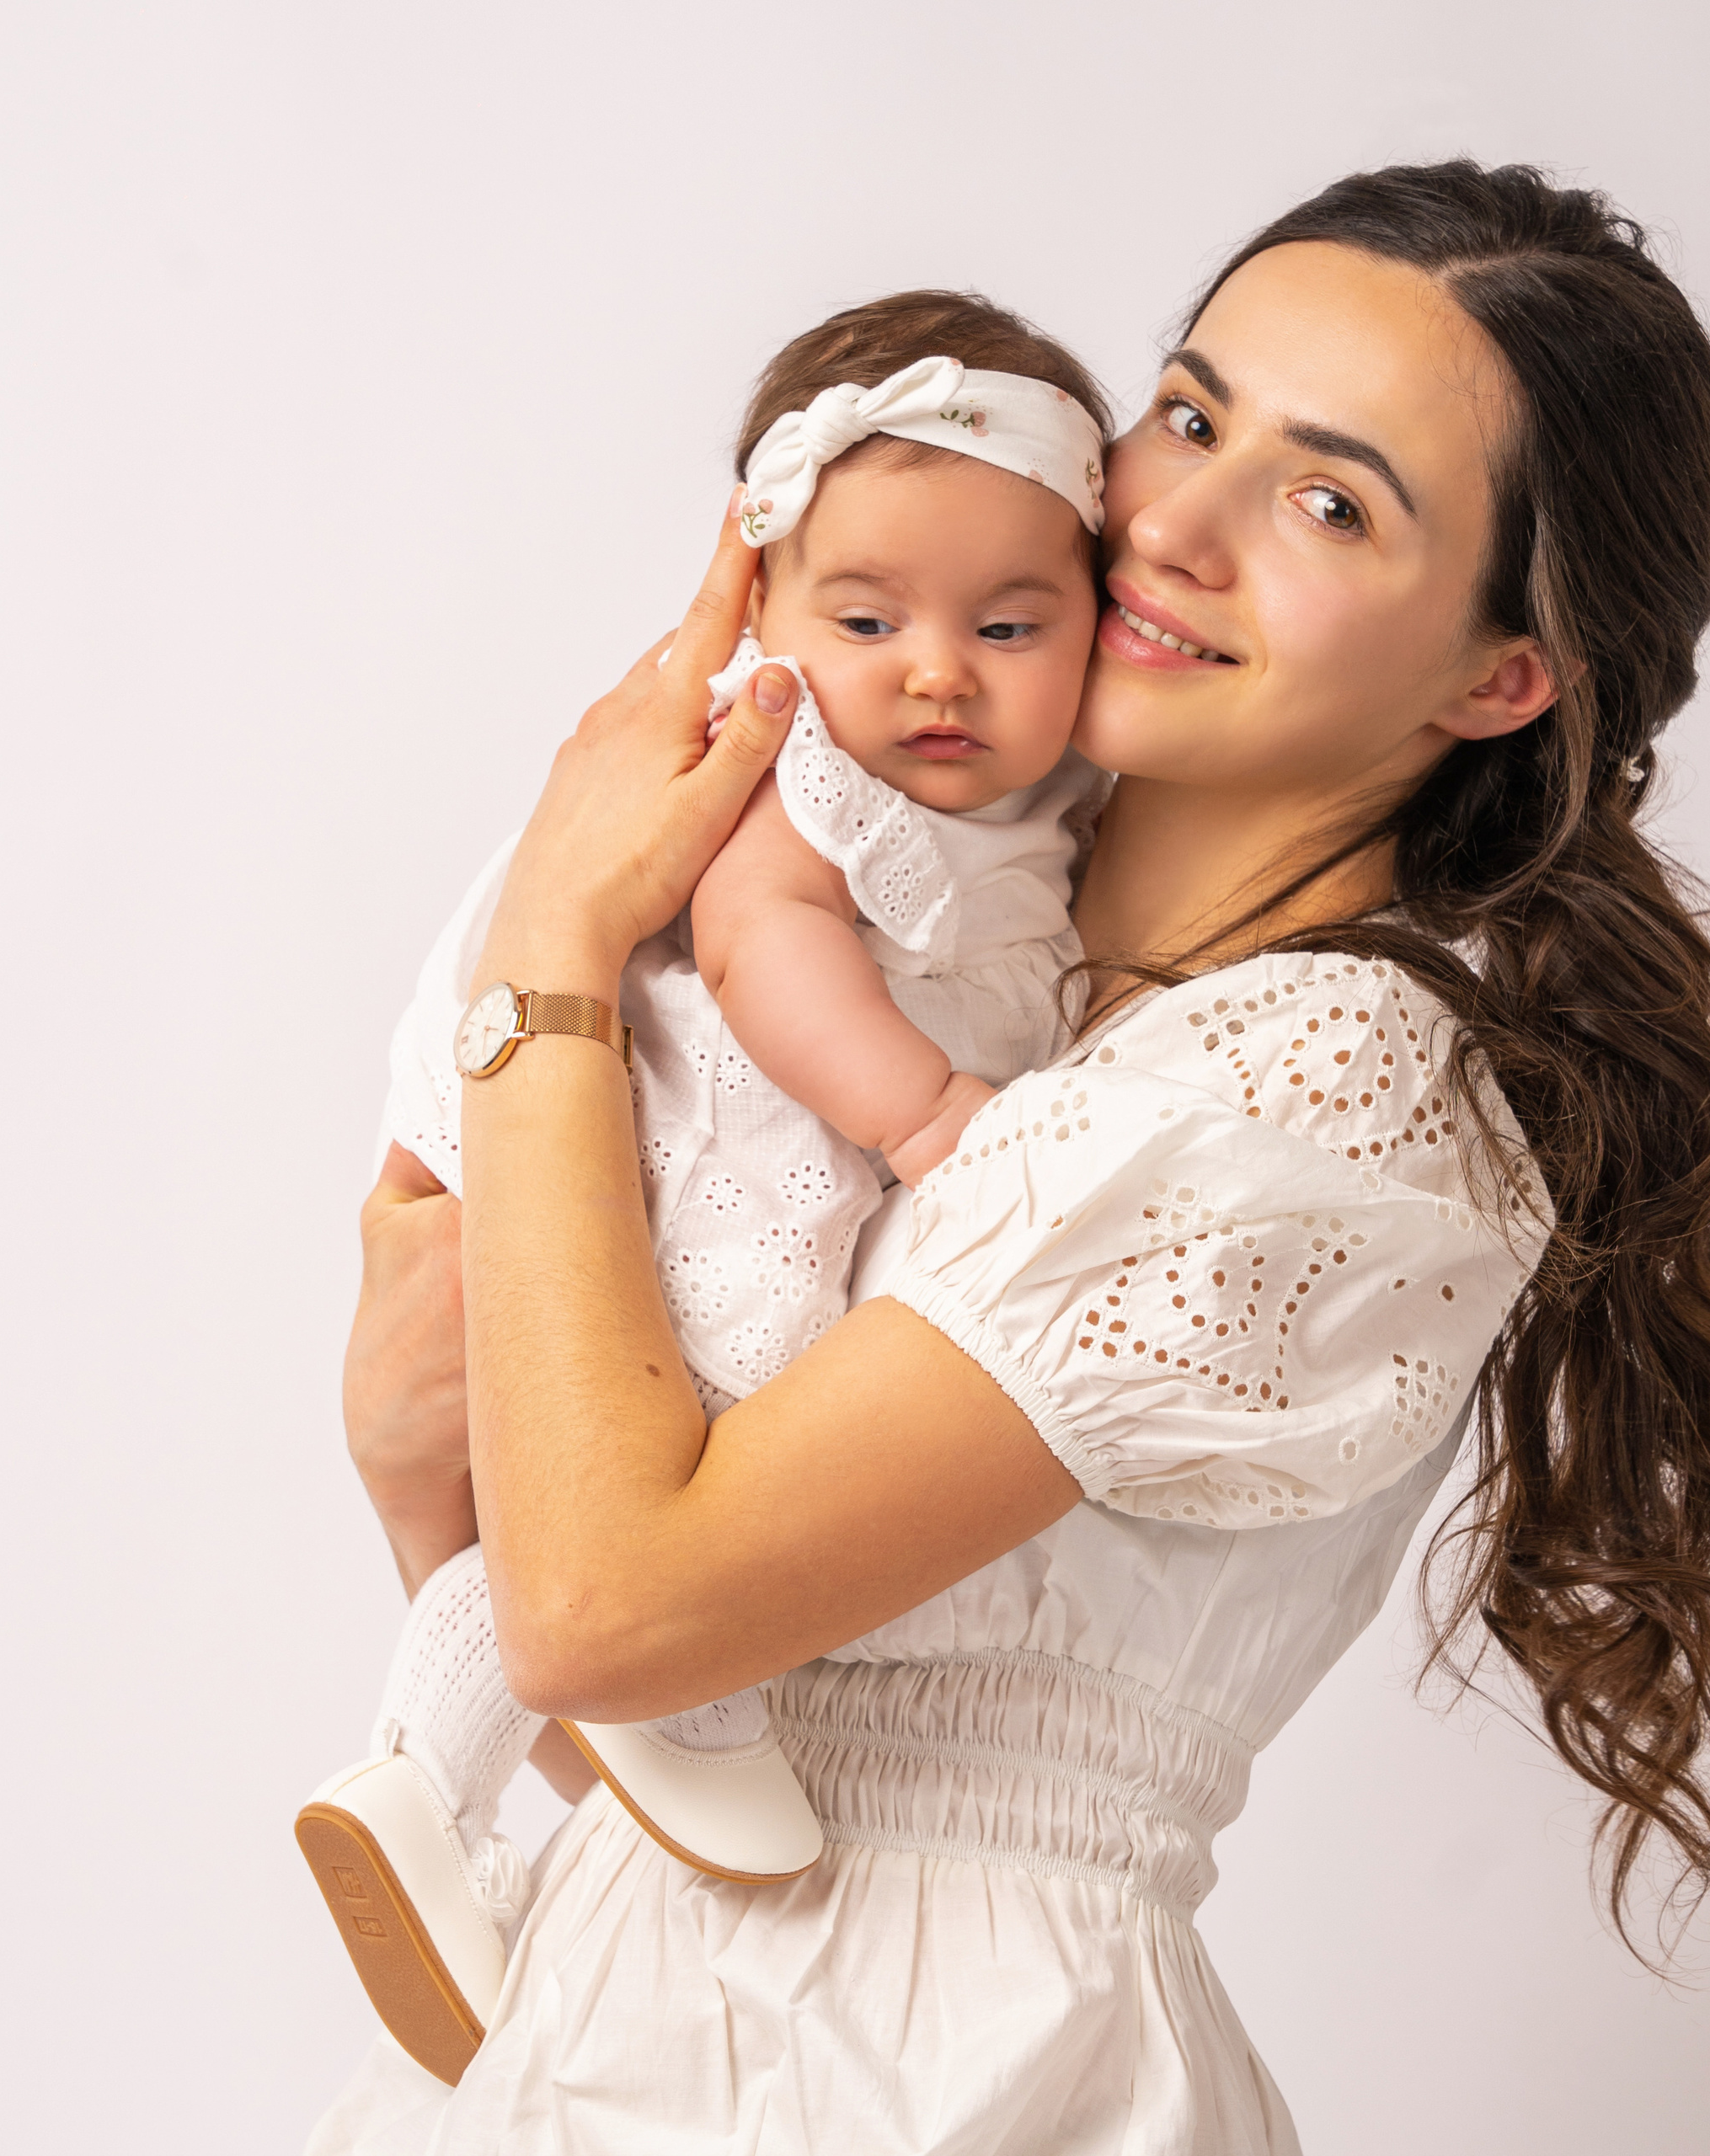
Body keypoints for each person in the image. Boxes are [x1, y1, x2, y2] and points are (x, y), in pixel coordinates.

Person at [313, 162, 1710, 2155]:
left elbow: (612, 1612)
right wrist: (427, 1489)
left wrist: (548, 948)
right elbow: (695, 1755)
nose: (1172, 522)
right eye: (1188, 414)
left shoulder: (1326, 1084)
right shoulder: (968, 938)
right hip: (625, 2042)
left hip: (956, 2086)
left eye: (1328, 502)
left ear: (1496, 674)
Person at [296, 291, 1116, 2085]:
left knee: (638, 1485)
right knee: (724, 1405)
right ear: (757, 612)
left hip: (760, 1150)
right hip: (730, 1142)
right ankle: (621, 1706)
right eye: (865, 619)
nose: (938, 672)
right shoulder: (795, 768)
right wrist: (921, 1112)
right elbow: (759, 949)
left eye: (1009, 625)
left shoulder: (1046, 798)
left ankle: (439, 1781)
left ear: (1094, 614)